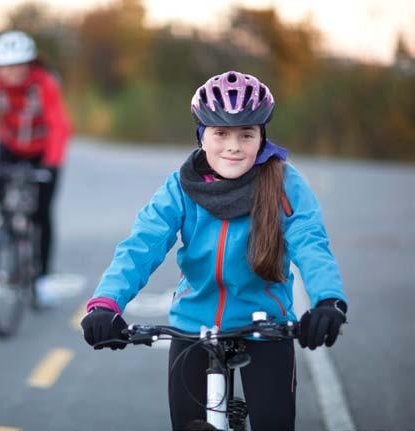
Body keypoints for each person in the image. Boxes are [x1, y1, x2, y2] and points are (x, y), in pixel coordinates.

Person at [80, 71, 348, 430]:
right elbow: (141, 246)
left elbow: (310, 241)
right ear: (201, 135)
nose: (233, 146)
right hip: (194, 325)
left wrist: (329, 301)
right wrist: (105, 304)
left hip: (265, 326)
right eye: (221, 133)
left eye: (246, 134)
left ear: (262, 136)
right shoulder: (181, 186)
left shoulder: (284, 182)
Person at [0, 30, 72, 292]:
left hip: (42, 150)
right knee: (0, 194)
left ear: (29, 64)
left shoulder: (44, 84)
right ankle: (8, 233)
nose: (11, 72)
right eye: (4, 67)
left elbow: (58, 125)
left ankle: (42, 277)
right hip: (9, 146)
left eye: (17, 65)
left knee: (42, 214)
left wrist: (52, 163)